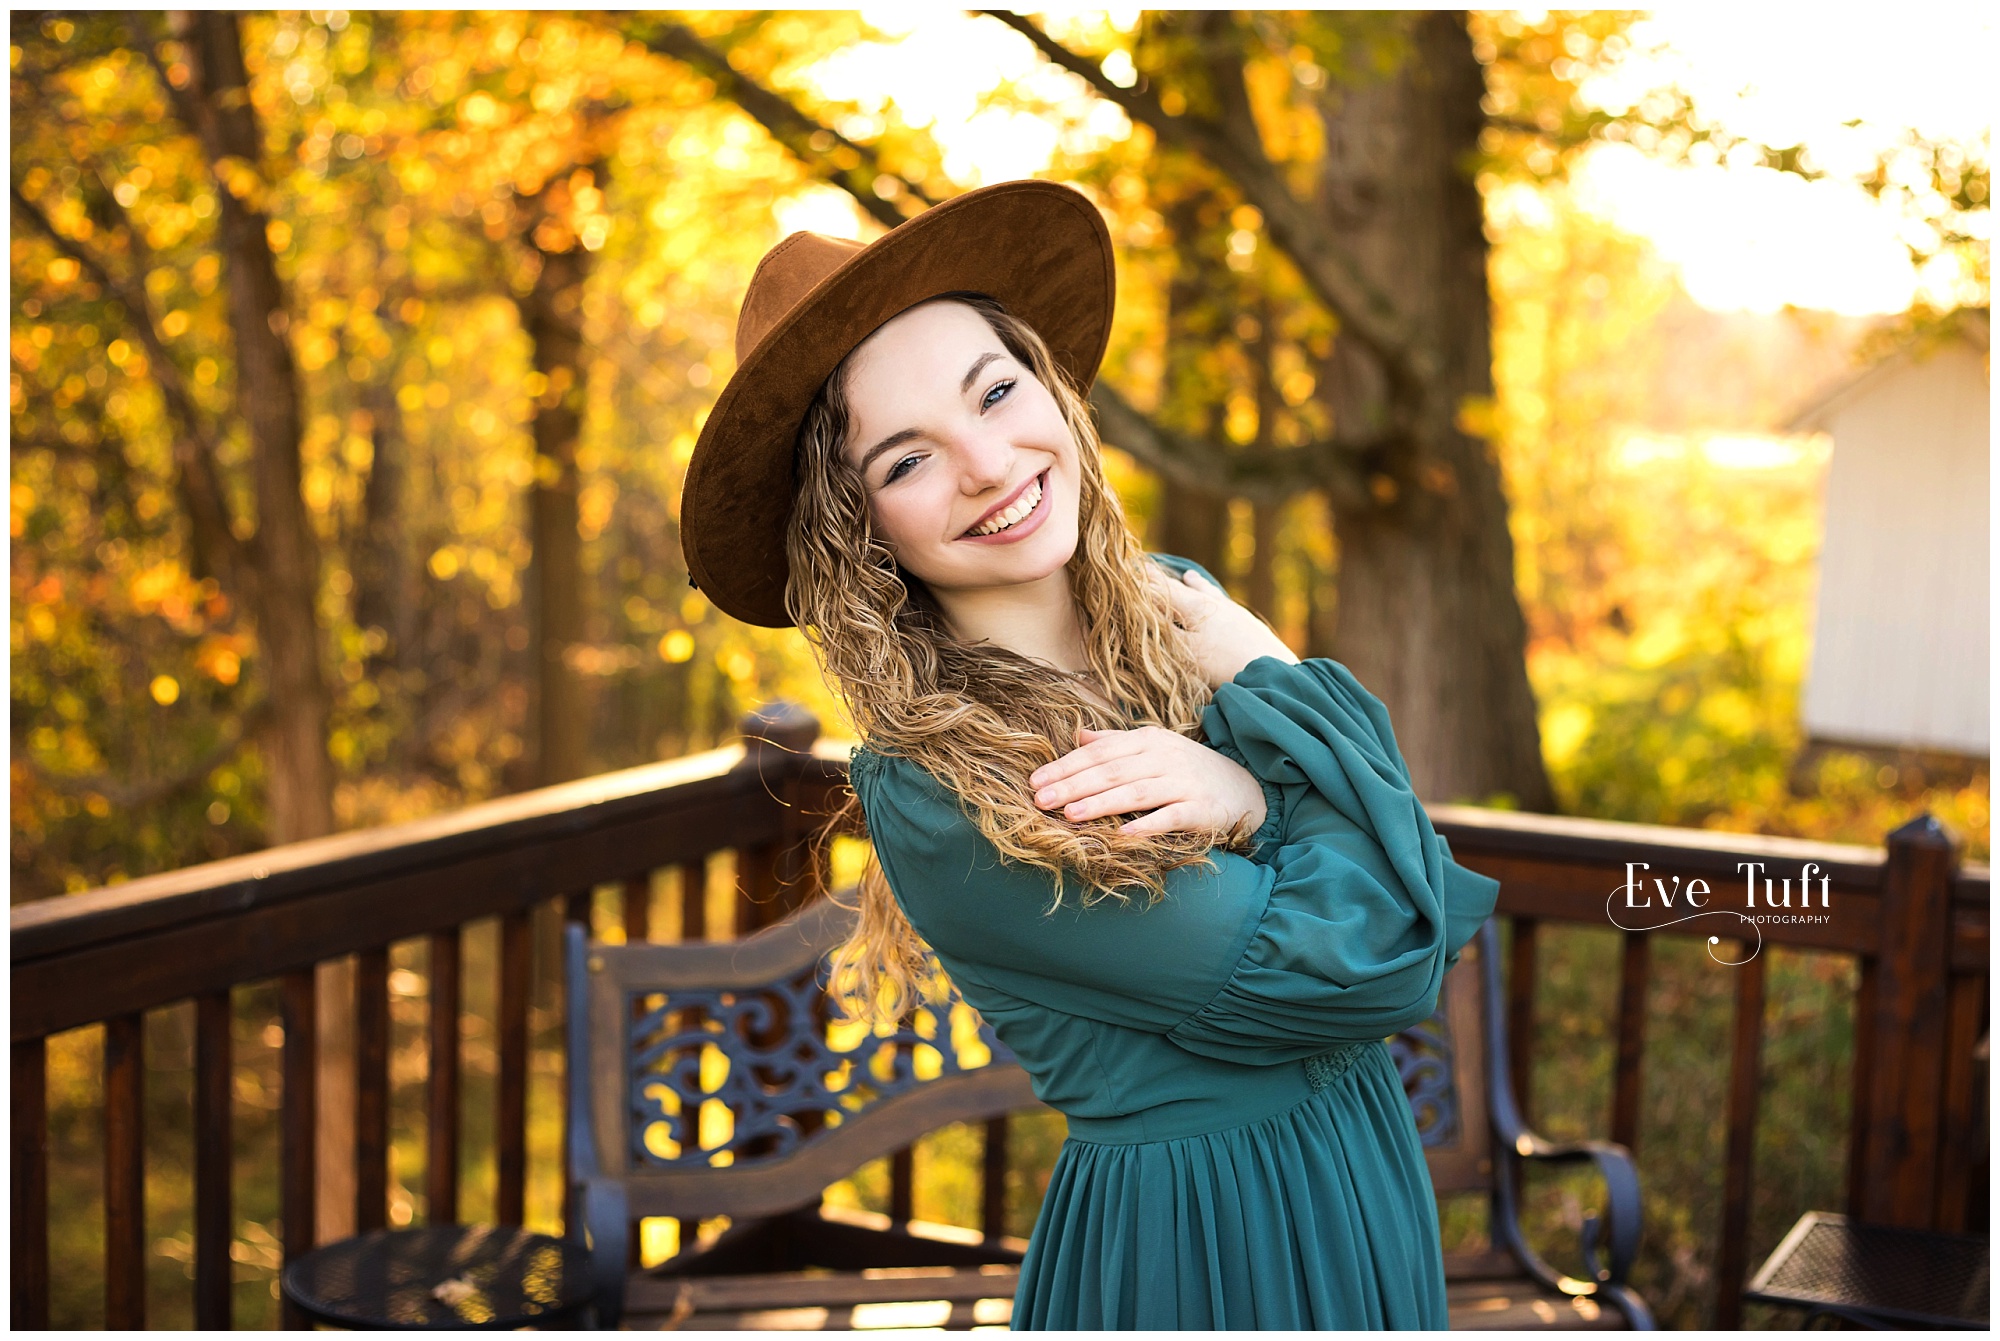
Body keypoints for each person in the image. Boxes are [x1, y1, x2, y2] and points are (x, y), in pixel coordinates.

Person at [678, 179, 1501, 1329]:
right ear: (854, 526)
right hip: (1205, 1248)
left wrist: (1246, 782)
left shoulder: (1180, 607)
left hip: (1362, 1185)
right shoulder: (936, 793)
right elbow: (1378, 961)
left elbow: (1404, 877)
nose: (986, 462)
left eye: (996, 391)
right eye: (906, 460)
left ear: (1049, 385)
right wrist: (1267, 738)